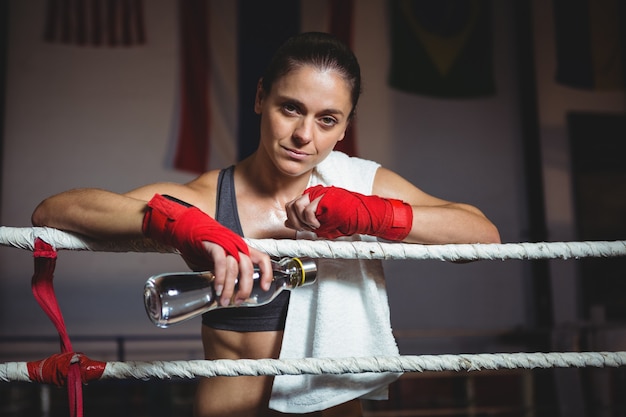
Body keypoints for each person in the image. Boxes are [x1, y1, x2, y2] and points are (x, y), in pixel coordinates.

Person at [31, 32, 501, 417]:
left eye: (327, 120)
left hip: (332, 407)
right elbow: (54, 211)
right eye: (291, 108)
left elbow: (482, 234)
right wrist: (182, 224)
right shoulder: (209, 200)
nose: (304, 135)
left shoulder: (361, 184)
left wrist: (371, 213)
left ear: (344, 128)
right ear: (260, 98)